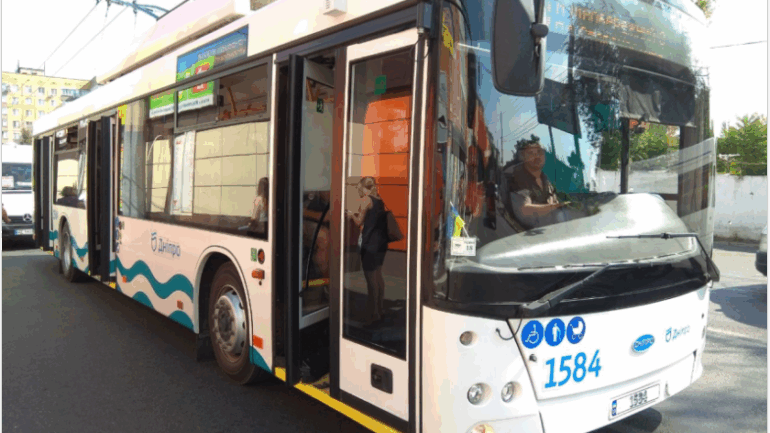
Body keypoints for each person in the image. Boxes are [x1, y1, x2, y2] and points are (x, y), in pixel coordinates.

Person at [346, 176, 388, 325]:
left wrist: (351, 214)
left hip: (370, 244)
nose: (360, 191)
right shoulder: (379, 200)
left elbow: (359, 221)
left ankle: (374, 313)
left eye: (360, 188)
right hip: (381, 243)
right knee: (378, 276)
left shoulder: (366, 200)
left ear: (365, 188)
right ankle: (380, 309)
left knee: (371, 280)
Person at [507, 135, 570, 229]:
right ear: (523, 158)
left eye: (539, 152)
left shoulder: (545, 180)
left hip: (553, 231)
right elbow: (524, 210)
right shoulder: (518, 178)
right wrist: (556, 206)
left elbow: (554, 202)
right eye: (531, 153)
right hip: (526, 234)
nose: (537, 156)